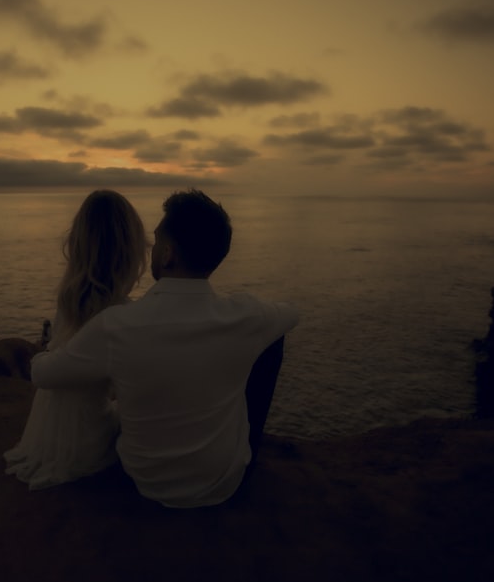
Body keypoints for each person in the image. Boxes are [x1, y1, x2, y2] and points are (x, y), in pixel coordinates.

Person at [31, 189, 298, 508]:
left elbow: (43, 375)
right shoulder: (246, 315)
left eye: (156, 241)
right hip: (225, 481)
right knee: (271, 340)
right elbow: (293, 314)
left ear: (168, 254)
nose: (150, 249)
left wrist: (45, 349)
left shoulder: (116, 325)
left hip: (147, 483)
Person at [4, 189, 149, 489]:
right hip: (84, 443)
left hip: (46, 434)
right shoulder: (122, 315)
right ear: (130, 248)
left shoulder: (68, 300)